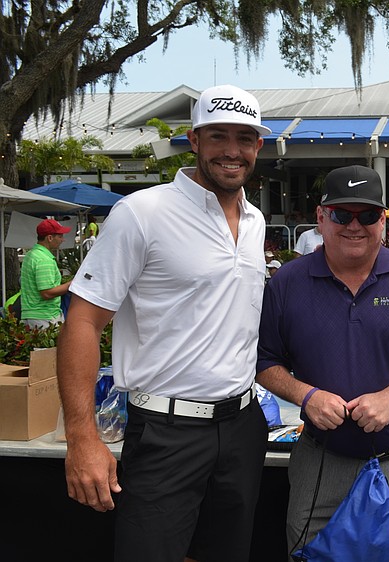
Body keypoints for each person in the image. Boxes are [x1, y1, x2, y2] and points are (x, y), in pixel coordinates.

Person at [57, 84, 271, 562]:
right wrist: (82, 437)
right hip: (165, 432)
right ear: (193, 140)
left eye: (244, 138)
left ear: (259, 146)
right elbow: (83, 322)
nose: (231, 151)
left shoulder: (256, 221)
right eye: (218, 136)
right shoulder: (141, 213)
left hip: (241, 427)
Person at [256, 164, 389, 562]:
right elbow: (264, 362)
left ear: (384, 220)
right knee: (308, 555)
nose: (355, 226)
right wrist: (306, 395)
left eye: (368, 215)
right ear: (321, 218)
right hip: (321, 458)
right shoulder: (288, 283)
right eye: (343, 215)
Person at [20, 218, 73, 328]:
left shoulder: (31, 255)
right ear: (49, 238)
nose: (62, 240)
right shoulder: (44, 259)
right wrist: (72, 284)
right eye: (60, 236)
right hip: (45, 317)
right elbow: (47, 293)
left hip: (31, 315)